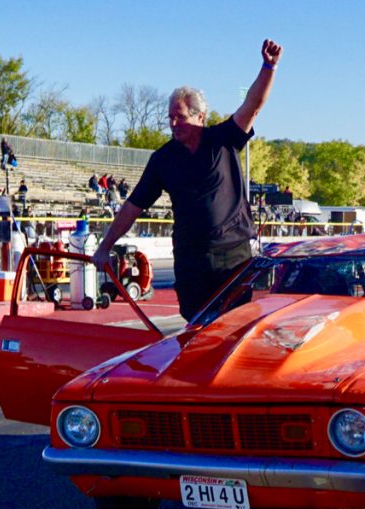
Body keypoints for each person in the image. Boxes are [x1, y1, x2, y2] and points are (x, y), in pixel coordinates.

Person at [93, 38, 283, 321]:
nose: (173, 124)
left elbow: (253, 105)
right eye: (169, 117)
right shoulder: (163, 159)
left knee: (232, 327)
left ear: (200, 117)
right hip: (191, 258)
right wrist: (105, 246)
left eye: (179, 117)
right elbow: (133, 206)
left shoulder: (223, 139)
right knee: (195, 326)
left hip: (233, 256)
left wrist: (268, 66)